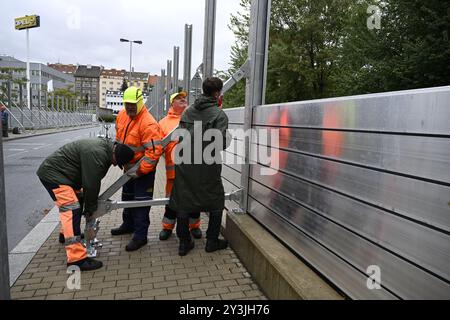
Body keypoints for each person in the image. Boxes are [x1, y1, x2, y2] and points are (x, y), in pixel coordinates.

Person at [37, 139, 135, 271]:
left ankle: (64, 235)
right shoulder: (97, 154)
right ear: (115, 156)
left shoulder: (104, 149)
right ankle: (76, 259)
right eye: (116, 163)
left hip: (64, 175)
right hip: (55, 176)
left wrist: (88, 204)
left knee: (77, 201)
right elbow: (91, 184)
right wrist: (90, 209)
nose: (114, 164)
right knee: (72, 210)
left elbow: (89, 182)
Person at [169, 77, 231, 256]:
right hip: (207, 167)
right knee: (216, 201)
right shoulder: (219, 115)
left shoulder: (187, 112)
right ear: (218, 93)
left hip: (185, 163)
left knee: (183, 201)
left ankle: (184, 243)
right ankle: (211, 241)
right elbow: (219, 143)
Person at [111, 87, 164, 252]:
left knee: (141, 203)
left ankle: (141, 236)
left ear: (140, 102)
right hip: (128, 168)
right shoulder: (122, 116)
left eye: (133, 104)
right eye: (127, 104)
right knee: (127, 198)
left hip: (143, 172)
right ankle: (128, 225)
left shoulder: (148, 123)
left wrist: (139, 171)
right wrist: (119, 156)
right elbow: (119, 138)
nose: (130, 108)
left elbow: (154, 153)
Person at [158, 91, 202, 241]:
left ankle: (194, 226)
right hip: (173, 172)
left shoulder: (194, 118)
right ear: (172, 104)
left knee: (194, 199)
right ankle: (167, 227)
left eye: (184, 98)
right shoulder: (163, 123)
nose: (183, 100)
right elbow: (158, 147)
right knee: (171, 201)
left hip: (193, 170)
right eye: (179, 99)